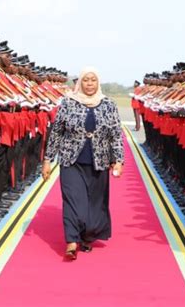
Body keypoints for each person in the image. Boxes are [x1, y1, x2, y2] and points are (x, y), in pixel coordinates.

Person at [41, 67, 124, 260]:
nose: (89, 84)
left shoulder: (108, 104)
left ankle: (87, 236)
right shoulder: (69, 103)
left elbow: (115, 135)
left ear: (98, 83)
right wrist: (47, 159)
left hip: (99, 161)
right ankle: (71, 240)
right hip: (72, 160)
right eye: (85, 80)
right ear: (79, 83)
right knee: (73, 201)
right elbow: (57, 133)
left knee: (95, 205)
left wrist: (118, 160)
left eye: (93, 80)